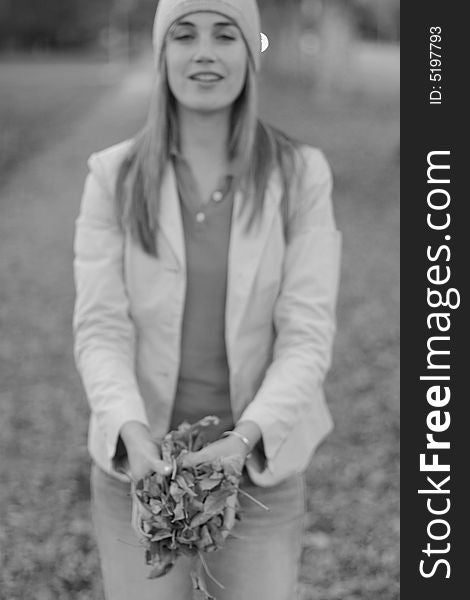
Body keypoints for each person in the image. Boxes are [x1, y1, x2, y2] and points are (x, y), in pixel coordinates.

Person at [73, 0, 342, 598]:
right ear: (161, 55)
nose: (204, 53)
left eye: (226, 36)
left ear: (250, 55)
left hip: (259, 470)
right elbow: (100, 329)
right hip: (138, 468)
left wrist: (242, 440)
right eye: (183, 35)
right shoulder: (111, 176)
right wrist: (133, 433)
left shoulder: (300, 175)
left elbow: (306, 331)